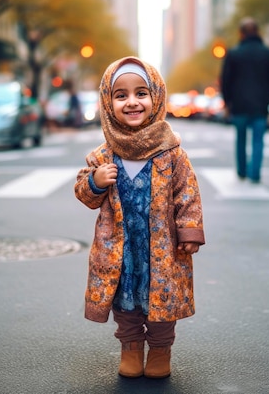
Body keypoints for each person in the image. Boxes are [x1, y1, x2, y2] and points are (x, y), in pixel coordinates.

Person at [74, 56, 205, 379]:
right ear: (108, 102)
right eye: (121, 95)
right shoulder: (103, 156)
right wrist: (94, 181)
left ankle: (160, 350)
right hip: (121, 249)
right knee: (125, 299)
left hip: (162, 248)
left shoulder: (171, 152)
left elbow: (187, 194)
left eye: (141, 93)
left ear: (156, 97)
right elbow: (84, 193)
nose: (132, 102)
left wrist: (189, 231)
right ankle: (131, 347)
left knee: (161, 301)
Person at [220, 17, 269, 183]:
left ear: (241, 33)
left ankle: (241, 171)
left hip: (238, 106)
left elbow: (225, 81)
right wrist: (268, 100)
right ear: (258, 32)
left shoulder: (233, 54)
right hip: (260, 106)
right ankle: (254, 173)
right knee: (258, 140)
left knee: (240, 139)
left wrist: (227, 102)